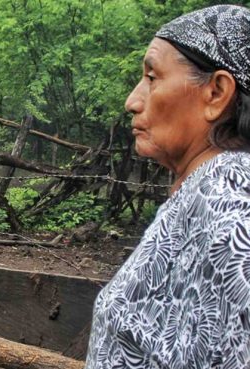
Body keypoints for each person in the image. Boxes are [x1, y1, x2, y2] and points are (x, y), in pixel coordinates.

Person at [85, 4, 250, 368]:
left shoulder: (228, 203)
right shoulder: (204, 192)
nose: (133, 101)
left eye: (152, 77)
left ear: (216, 93)